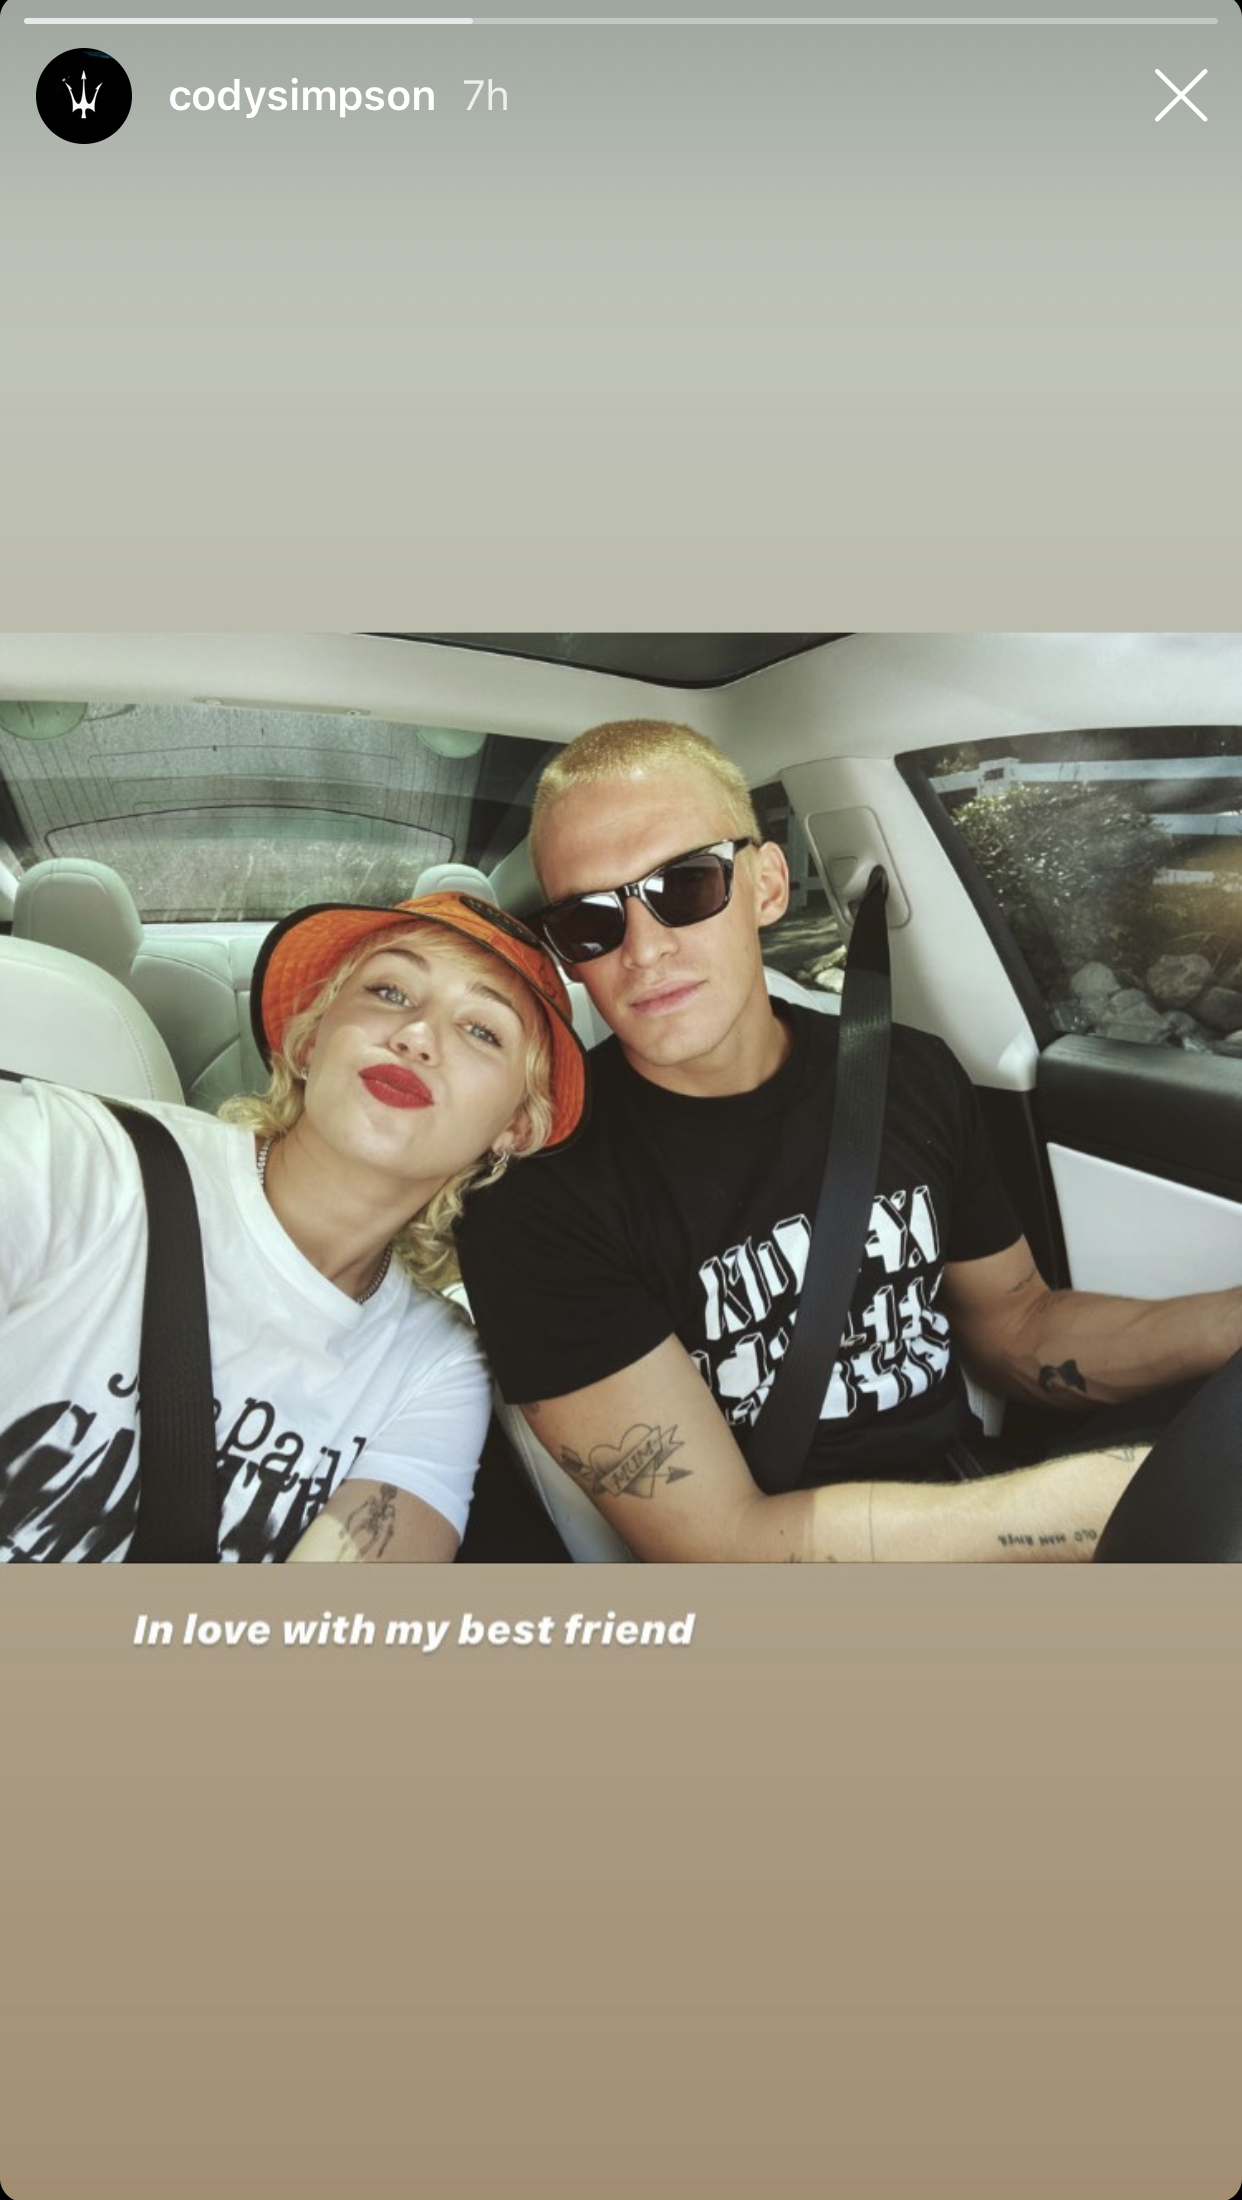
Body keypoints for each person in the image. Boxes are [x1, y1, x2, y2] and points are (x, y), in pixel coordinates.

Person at [455, 722, 1242, 1562]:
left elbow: (1019, 1326)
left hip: (974, 1498)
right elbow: (727, 1549)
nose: (643, 951)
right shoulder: (538, 1198)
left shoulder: (907, 1074)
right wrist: (1114, 1504)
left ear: (765, 885)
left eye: (684, 885)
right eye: (589, 922)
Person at [0, 891, 586, 1564]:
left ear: (515, 1128)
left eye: (482, 1030)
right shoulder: (71, 1156)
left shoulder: (438, 1363)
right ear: (308, 1041)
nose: (418, 1036)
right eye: (390, 992)